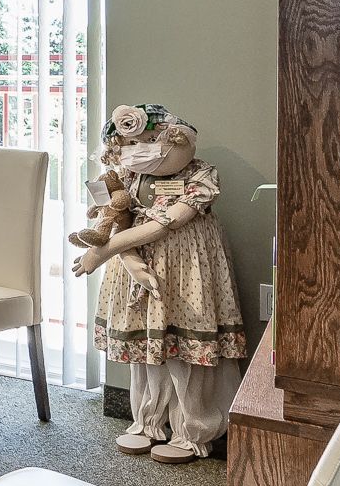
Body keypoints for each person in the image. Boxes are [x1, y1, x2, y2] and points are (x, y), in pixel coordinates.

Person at [69, 103, 246, 462]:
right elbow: (117, 218)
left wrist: (103, 253)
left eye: (152, 139)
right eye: (134, 143)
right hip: (139, 263)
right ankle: (147, 421)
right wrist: (131, 261)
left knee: (186, 346)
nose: (143, 149)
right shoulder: (124, 176)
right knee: (147, 348)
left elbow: (168, 222)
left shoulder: (201, 175)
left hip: (186, 268)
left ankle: (191, 429)